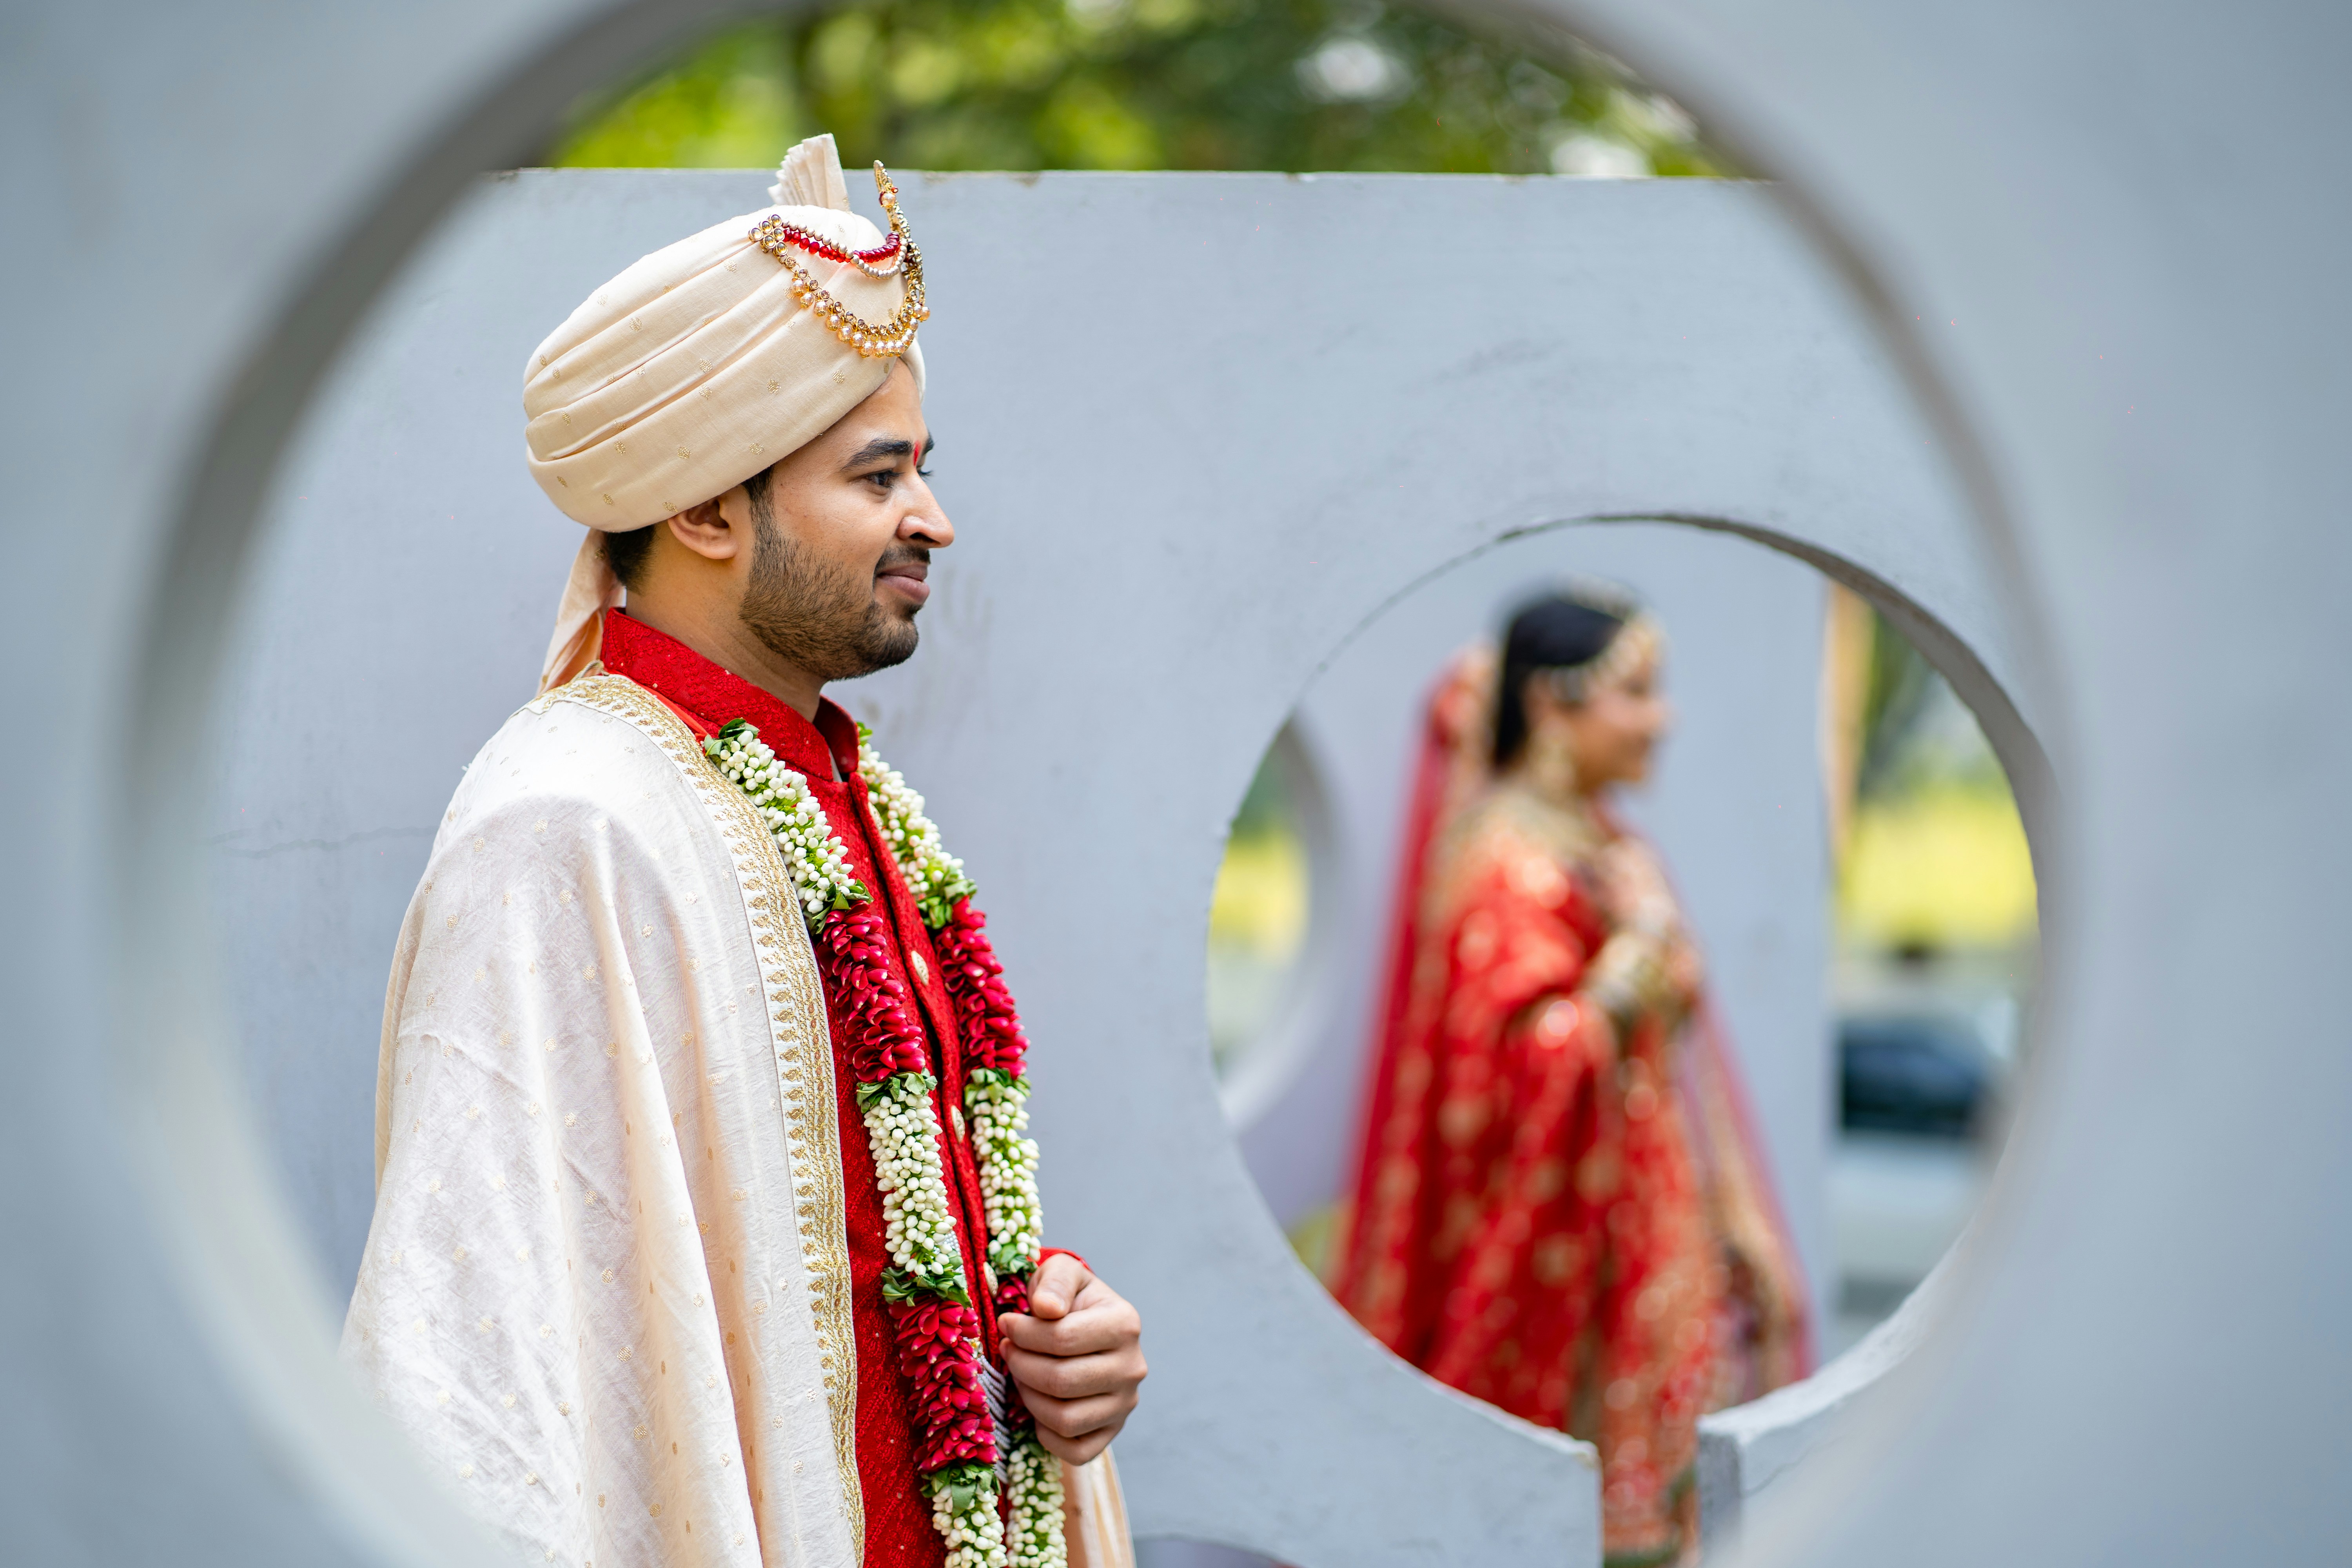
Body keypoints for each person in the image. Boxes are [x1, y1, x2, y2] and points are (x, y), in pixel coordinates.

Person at [341, 134, 1144, 1568]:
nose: (935, 522)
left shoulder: (842, 791)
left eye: (924, 468)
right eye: (879, 475)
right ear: (707, 508)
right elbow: (478, 1396)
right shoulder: (571, 822)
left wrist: (1057, 1342)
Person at [1330, 584, 1809, 1567]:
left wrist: (1735, 1216)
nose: (1661, 716)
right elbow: (1500, 1080)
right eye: (1637, 690)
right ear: (1554, 702)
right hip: (1571, 1273)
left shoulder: (1608, 846)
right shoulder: (1506, 862)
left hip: (1650, 1240)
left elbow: (1681, 1070)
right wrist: (1630, 966)